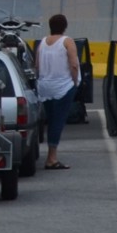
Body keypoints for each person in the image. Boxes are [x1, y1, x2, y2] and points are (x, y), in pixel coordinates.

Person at [35, 13, 80, 168]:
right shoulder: (67, 41)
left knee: (51, 120)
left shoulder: (42, 42)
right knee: (58, 121)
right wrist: (75, 82)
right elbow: (74, 64)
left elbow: (37, 66)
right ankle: (52, 158)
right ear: (65, 26)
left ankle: (50, 155)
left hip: (45, 87)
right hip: (62, 86)